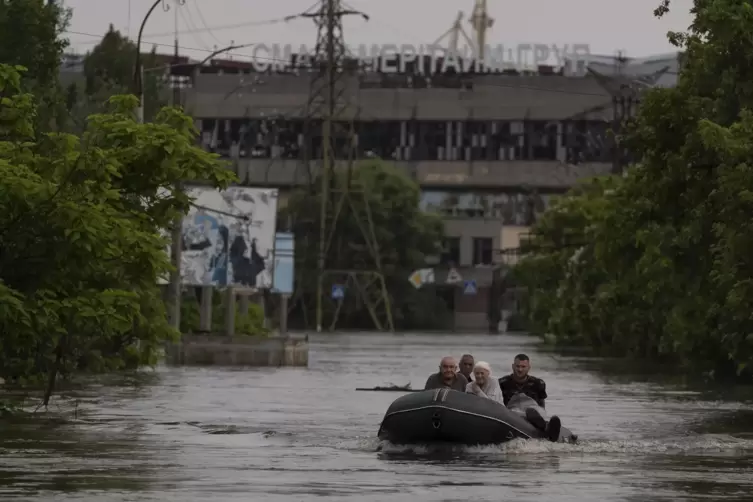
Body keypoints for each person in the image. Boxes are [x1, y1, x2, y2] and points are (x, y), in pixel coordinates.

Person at [499, 353, 561, 442]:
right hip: (513, 411)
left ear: (528, 367)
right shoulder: (503, 382)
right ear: (513, 366)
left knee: (532, 412)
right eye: (517, 366)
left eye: (523, 367)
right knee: (518, 413)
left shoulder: (538, 383)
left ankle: (547, 428)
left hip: (534, 409)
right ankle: (544, 428)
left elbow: (541, 402)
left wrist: (541, 414)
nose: (520, 369)